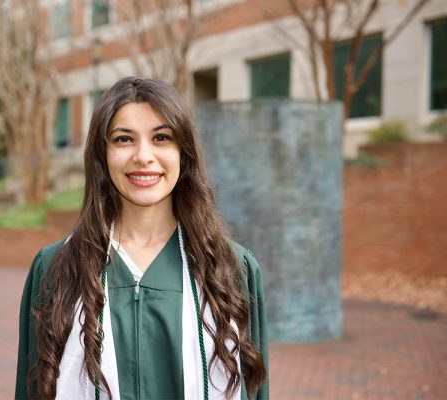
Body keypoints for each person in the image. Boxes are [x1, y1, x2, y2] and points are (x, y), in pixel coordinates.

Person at [15, 77, 268, 400]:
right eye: (124, 139)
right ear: (102, 155)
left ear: (183, 153)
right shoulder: (55, 268)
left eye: (161, 137)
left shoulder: (232, 269)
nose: (143, 156)